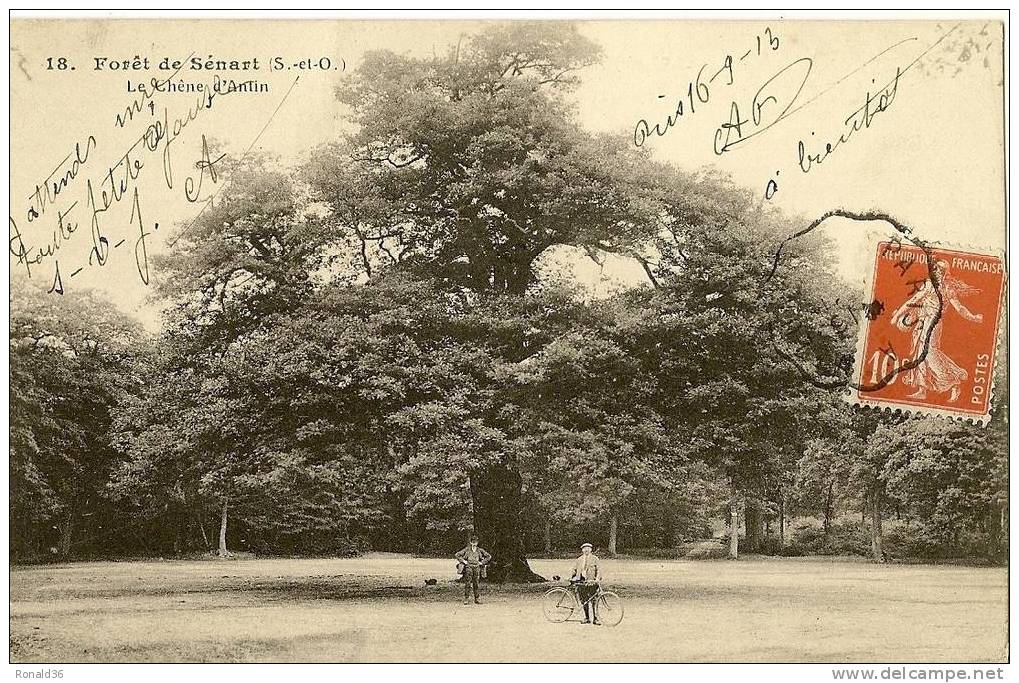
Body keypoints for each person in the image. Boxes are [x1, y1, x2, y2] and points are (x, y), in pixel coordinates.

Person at [891, 259, 983, 402]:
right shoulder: (929, 285)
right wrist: (897, 315)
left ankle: (953, 381)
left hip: (933, 323)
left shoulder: (948, 288)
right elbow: (913, 300)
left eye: (941, 270)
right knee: (920, 353)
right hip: (922, 322)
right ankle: (922, 389)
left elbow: (959, 308)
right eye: (936, 269)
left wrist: (973, 317)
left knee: (930, 353)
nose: (938, 272)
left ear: (946, 273)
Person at [454, 535, 491, 605]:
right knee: (468, 583)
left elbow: (488, 556)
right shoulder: (467, 549)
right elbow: (457, 554)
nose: (474, 543)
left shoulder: (480, 550)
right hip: (469, 568)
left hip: (477, 568)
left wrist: (482, 562)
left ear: (477, 543)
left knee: (476, 583)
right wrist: (464, 561)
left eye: (476, 542)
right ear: (471, 542)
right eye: (473, 542)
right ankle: (466, 598)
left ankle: (477, 598)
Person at [570, 542, 601, 625]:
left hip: (591, 582)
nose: (586, 550)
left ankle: (595, 618)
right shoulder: (579, 560)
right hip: (581, 582)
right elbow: (574, 570)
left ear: (591, 550)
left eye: (588, 548)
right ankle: (587, 618)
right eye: (584, 548)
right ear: (582, 550)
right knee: (584, 600)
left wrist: (597, 579)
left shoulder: (595, 559)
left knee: (594, 600)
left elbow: (599, 570)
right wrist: (573, 577)